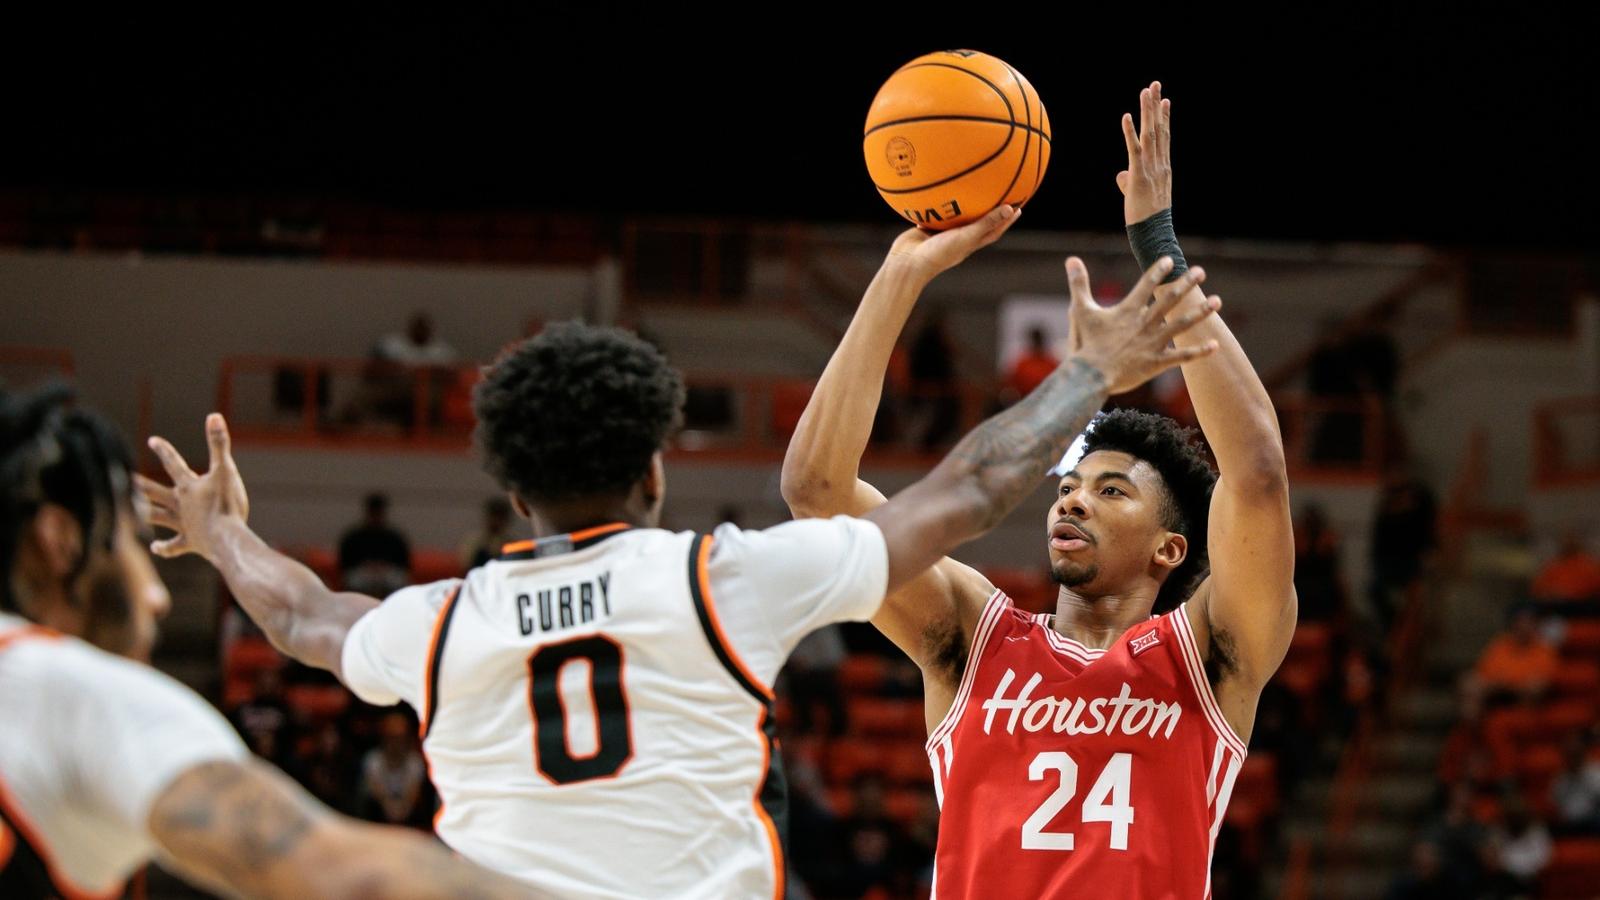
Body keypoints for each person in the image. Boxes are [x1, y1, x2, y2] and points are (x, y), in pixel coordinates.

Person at [142, 222, 1217, 896]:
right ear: (655, 470)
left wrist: (218, 532)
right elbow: (972, 490)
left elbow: (299, 617)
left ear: (513, 491)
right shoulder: (716, 582)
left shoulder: (438, 622)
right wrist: (1089, 371)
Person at [782, 81, 1293, 897]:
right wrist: (899, 278)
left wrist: (1158, 248)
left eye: (1113, 490)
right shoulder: (970, 639)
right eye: (1070, 483)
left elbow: (1259, 473)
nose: (1072, 499)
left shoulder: (1211, 655)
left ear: (1172, 547)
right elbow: (815, 489)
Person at [0, 384, 536, 899]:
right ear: (60, 542)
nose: (157, 594)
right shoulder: (71, 692)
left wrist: (223, 537)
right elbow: (347, 878)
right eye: (132, 545)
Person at [337, 493, 410, 596]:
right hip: (363, 573)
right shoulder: (353, 537)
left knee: (397, 579)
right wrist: (368, 567)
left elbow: (404, 565)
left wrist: (383, 568)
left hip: (387, 573)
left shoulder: (394, 538)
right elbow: (345, 564)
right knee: (354, 579)